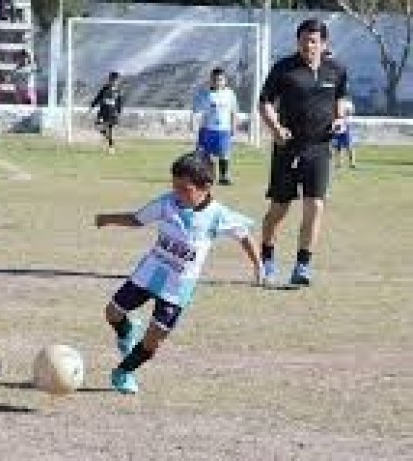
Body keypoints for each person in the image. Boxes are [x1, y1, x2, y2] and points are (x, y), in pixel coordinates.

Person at [95, 152, 262, 394]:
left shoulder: (217, 215)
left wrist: (258, 265)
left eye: (184, 189)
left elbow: (244, 235)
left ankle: (124, 371)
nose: (177, 193)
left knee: (154, 339)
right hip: (150, 272)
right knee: (112, 313)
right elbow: (137, 219)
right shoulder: (167, 203)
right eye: (174, 187)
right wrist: (107, 218)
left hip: (177, 287)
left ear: (205, 187)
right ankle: (127, 330)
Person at [258, 18, 348, 286]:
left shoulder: (337, 69)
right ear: (297, 41)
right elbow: (264, 102)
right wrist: (275, 127)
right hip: (288, 148)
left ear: (323, 43)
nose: (308, 45)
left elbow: (340, 98)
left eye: (313, 40)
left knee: (315, 206)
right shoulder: (284, 68)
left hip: (319, 148)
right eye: (303, 40)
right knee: (279, 210)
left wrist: (340, 118)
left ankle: (302, 266)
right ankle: (268, 259)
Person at [192, 67, 239, 185]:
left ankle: (223, 177)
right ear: (211, 80)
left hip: (224, 130)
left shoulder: (230, 94)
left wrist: (234, 126)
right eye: (215, 80)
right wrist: (195, 124)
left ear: (225, 81)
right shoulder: (205, 94)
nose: (218, 82)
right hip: (207, 129)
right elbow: (197, 111)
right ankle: (206, 176)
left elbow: (233, 111)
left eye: (220, 80)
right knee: (204, 154)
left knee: (224, 153)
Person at [89, 71, 123, 155]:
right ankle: (109, 139)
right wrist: (92, 105)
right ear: (110, 79)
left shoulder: (118, 91)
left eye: (116, 80)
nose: (114, 81)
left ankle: (111, 147)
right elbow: (98, 97)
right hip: (103, 111)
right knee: (98, 126)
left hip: (112, 112)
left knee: (110, 129)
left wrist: (118, 112)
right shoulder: (105, 88)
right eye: (113, 79)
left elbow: (119, 102)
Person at [331, 98, 356, 169]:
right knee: (337, 146)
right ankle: (338, 163)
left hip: (345, 126)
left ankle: (352, 163)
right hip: (337, 126)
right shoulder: (334, 103)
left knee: (349, 146)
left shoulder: (348, 104)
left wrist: (343, 115)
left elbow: (350, 112)